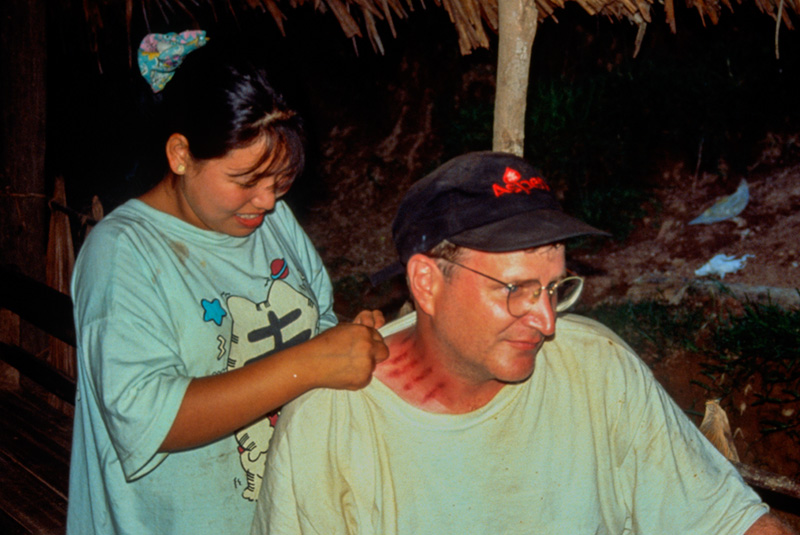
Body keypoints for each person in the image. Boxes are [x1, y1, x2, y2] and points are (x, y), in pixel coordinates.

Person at [252, 151, 796, 534]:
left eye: (555, 288)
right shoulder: (331, 426)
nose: (547, 321)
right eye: (515, 290)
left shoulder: (595, 367)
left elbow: (729, 521)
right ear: (426, 283)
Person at [66, 32, 388, 535]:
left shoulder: (273, 221)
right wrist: (310, 363)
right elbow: (148, 419)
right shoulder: (124, 253)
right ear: (180, 154)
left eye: (281, 180)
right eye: (246, 181)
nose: (267, 200)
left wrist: (348, 340)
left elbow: (316, 322)